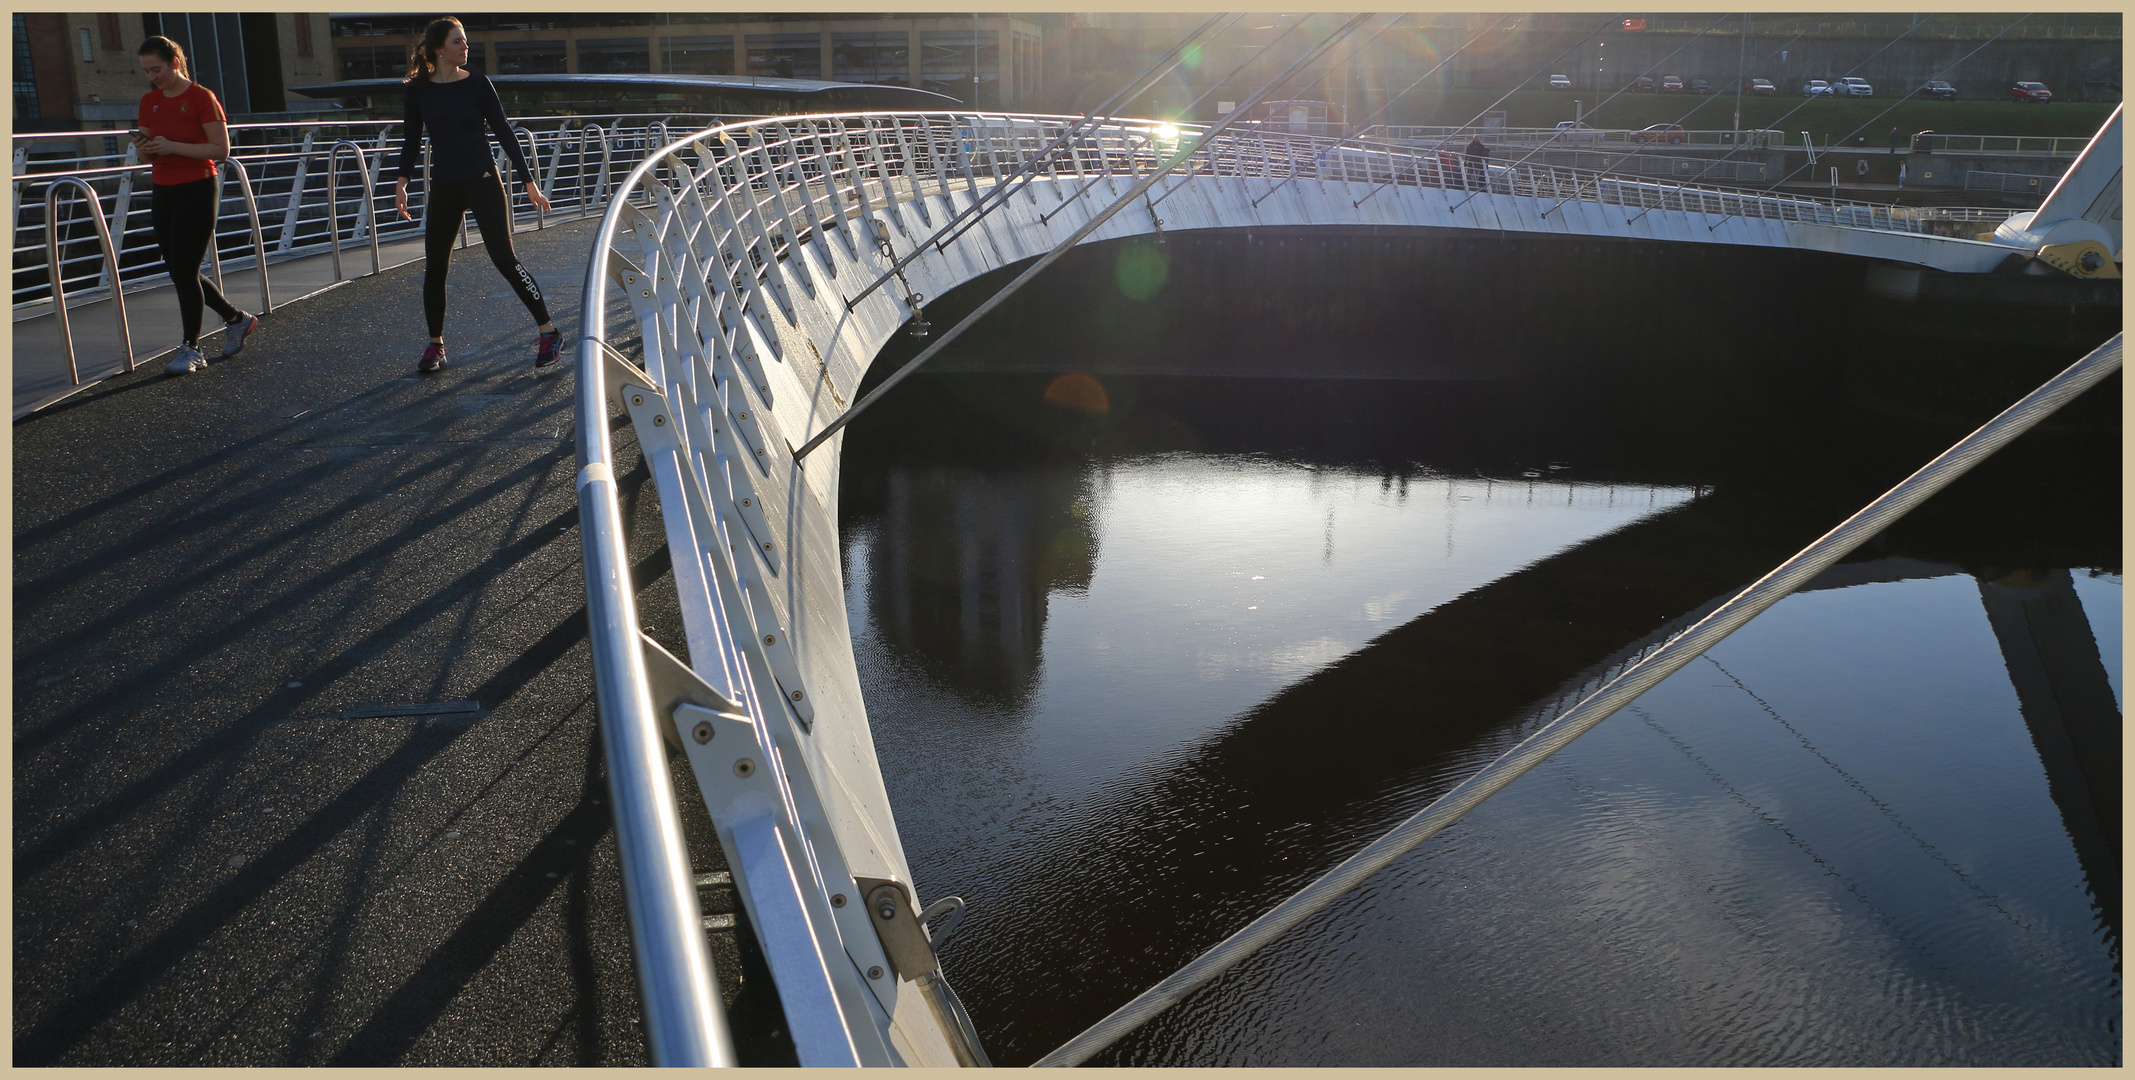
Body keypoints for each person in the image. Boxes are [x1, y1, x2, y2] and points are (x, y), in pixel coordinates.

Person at [391, 17, 557, 374]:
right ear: (439, 48)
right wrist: (402, 180)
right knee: (435, 268)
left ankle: (549, 331)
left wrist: (529, 182)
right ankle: (436, 345)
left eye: (465, 41)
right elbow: (411, 140)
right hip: (446, 186)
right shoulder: (418, 90)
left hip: (482, 181)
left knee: (504, 260)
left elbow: (504, 132)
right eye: (458, 42)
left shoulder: (478, 84)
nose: (466, 47)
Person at [135, 36, 258, 376]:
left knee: (185, 269)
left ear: (174, 62)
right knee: (178, 268)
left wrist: (172, 145)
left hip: (198, 186)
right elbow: (147, 155)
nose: (152, 76)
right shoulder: (149, 101)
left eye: (157, 69)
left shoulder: (201, 98)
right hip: (163, 187)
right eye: (146, 71)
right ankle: (236, 318)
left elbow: (220, 150)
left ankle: (191, 347)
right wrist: (145, 147)